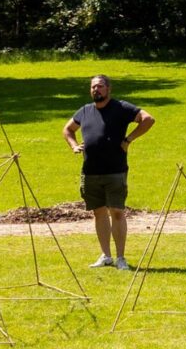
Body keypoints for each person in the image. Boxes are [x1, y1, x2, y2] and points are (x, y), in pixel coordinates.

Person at [63, 74, 154, 270]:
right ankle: (106, 256)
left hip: (115, 171)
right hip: (90, 172)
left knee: (118, 213)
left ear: (108, 89)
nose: (96, 89)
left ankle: (121, 258)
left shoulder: (121, 108)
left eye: (100, 86)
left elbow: (147, 119)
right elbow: (67, 130)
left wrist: (128, 139)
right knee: (98, 213)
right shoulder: (85, 111)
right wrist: (73, 145)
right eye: (93, 87)